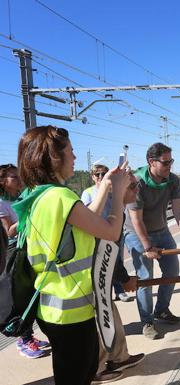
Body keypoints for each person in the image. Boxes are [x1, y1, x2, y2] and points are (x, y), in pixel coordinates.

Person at [14, 125, 130, 385]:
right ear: (55, 158)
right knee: (77, 377)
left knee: (77, 374)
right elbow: (111, 232)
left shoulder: (37, 195)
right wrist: (120, 194)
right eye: (71, 151)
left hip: (53, 308)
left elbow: (87, 217)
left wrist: (107, 186)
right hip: (72, 311)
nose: (75, 158)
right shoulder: (60, 196)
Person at [125, 142, 180, 339]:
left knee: (172, 271)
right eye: (165, 162)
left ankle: (161, 310)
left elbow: (179, 210)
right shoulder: (137, 183)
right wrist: (147, 247)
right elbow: (136, 220)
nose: (169, 165)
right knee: (146, 278)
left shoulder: (172, 180)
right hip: (136, 233)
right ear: (151, 162)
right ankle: (147, 322)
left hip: (161, 230)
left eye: (171, 161)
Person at [92, 174, 145, 384]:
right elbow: (107, 252)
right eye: (132, 186)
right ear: (117, 189)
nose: (137, 190)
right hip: (92, 276)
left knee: (110, 316)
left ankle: (119, 358)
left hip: (101, 274)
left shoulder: (114, 208)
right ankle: (94, 369)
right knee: (99, 322)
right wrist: (124, 279)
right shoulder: (107, 211)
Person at [0, 163, 50, 359]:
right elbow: (9, 232)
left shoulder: (20, 197)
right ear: (3, 181)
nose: (19, 179)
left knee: (31, 295)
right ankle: (24, 339)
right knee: (20, 297)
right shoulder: (2, 204)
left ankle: (28, 335)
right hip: (14, 255)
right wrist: (27, 213)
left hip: (28, 250)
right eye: (13, 177)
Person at [81, 163, 132, 303]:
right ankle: (105, 296)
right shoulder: (88, 193)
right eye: (97, 174)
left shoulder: (114, 191)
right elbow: (87, 213)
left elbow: (122, 208)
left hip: (114, 232)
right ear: (92, 177)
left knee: (117, 260)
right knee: (104, 266)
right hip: (97, 234)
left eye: (104, 174)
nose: (101, 177)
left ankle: (119, 290)